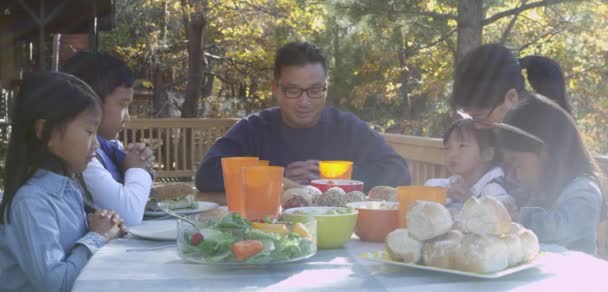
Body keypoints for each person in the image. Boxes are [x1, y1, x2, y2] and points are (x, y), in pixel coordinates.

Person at [195, 41, 410, 191]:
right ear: (276, 89)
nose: (305, 102)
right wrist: (276, 178)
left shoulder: (346, 127)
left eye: (315, 90)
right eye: (293, 90)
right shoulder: (254, 128)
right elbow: (206, 175)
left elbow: (399, 172)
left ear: (326, 87)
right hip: (269, 232)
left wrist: (338, 178)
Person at [0, 72, 127, 292]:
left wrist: (105, 230)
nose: (97, 145)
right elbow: (56, 289)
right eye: (89, 131)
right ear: (44, 131)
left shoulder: (67, 186)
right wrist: (96, 237)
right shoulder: (32, 201)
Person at [498, 93, 603, 254]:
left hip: (576, 274)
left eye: (517, 162)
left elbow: (560, 230)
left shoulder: (584, 190)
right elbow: (515, 200)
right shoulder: (539, 188)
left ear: (547, 153)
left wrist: (519, 218)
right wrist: (502, 205)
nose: (512, 173)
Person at [62, 51, 155, 226]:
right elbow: (130, 214)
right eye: (123, 104)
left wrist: (132, 167)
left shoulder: (108, 149)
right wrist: (137, 169)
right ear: (91, 101)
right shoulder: (83, 156)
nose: (127, 117)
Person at [451, 43, 571, 127]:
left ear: (512, 98)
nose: (474, 127)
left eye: (479, 118)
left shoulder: (535, 146)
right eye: (468, 118)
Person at [425, 118, 512, 207]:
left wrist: (470, 201)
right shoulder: (457, 181)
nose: (452, 154)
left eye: (462, 146)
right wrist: (445, 194)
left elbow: (500, 214)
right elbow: (429, 186)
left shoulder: (493, 188)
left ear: (487, 154)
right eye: (448, 148)